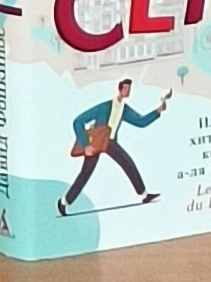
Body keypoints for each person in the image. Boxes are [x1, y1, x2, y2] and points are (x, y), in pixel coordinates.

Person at [59, 78, 167, 214]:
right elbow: (77, 121)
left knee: (128, 163)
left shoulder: (124, 109)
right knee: (85, 173)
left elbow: (140, 122)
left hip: (110, 143)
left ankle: (144, 195)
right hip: (97, 143)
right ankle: (64, 202)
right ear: (120, 89)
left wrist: (158, 111)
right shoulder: (104, 107)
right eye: (125, 88)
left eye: (129, 88)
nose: (128, 91)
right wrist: (86, 145)